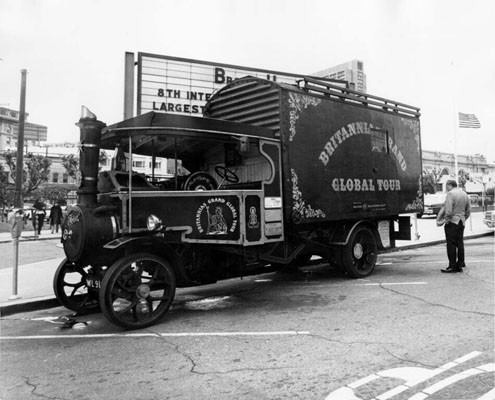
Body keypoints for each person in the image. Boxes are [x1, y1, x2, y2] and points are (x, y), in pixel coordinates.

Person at [441, 180, 471, 273]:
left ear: (450, 185)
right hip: (461, 221)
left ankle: (452, 266)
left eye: (446, 186)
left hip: (452, 221)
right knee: (460, 243)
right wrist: (463, 218)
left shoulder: (450, 194)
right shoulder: (464, 194)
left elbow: (449, 210)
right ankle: (460, 264)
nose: (446, 189)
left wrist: (446, 219)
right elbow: (468, 210)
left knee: (451, 244)